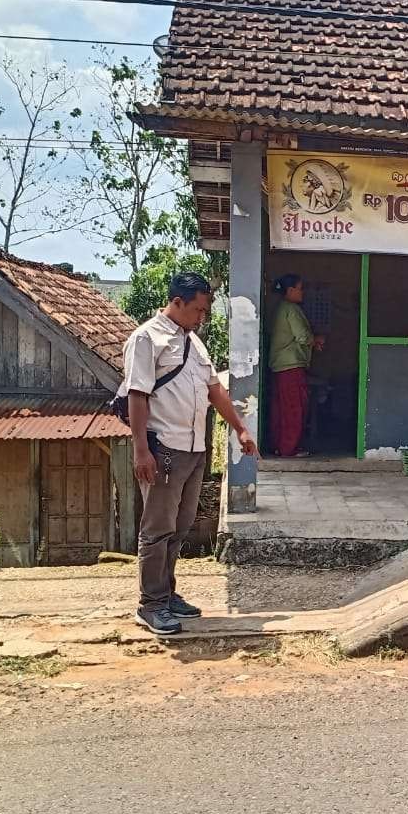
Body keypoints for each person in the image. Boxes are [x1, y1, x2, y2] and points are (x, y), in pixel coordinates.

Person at [119, 272, 259, 636]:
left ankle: (167, 594)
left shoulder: (194, 344)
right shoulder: (146, 339)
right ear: (177, 302)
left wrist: (240, 428)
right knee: (157, 528)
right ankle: (150, 604)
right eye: (197, 310)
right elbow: (137, 394)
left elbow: (215, 390)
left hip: (195, 449)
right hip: (163, 447)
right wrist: (140, 450)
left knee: (179, 527)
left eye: (205, 311)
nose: (201, 318)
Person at [269, 273, 324, 457]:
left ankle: (280, 446)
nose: (303, 292)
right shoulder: (291, 309)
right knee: (294, 409)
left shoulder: (280, 308)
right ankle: (289, 448)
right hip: (291, 366)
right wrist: (315, 339)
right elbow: (302, 336)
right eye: (300, 288)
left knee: (281, 409)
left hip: (280, 366)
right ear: (291, 290)